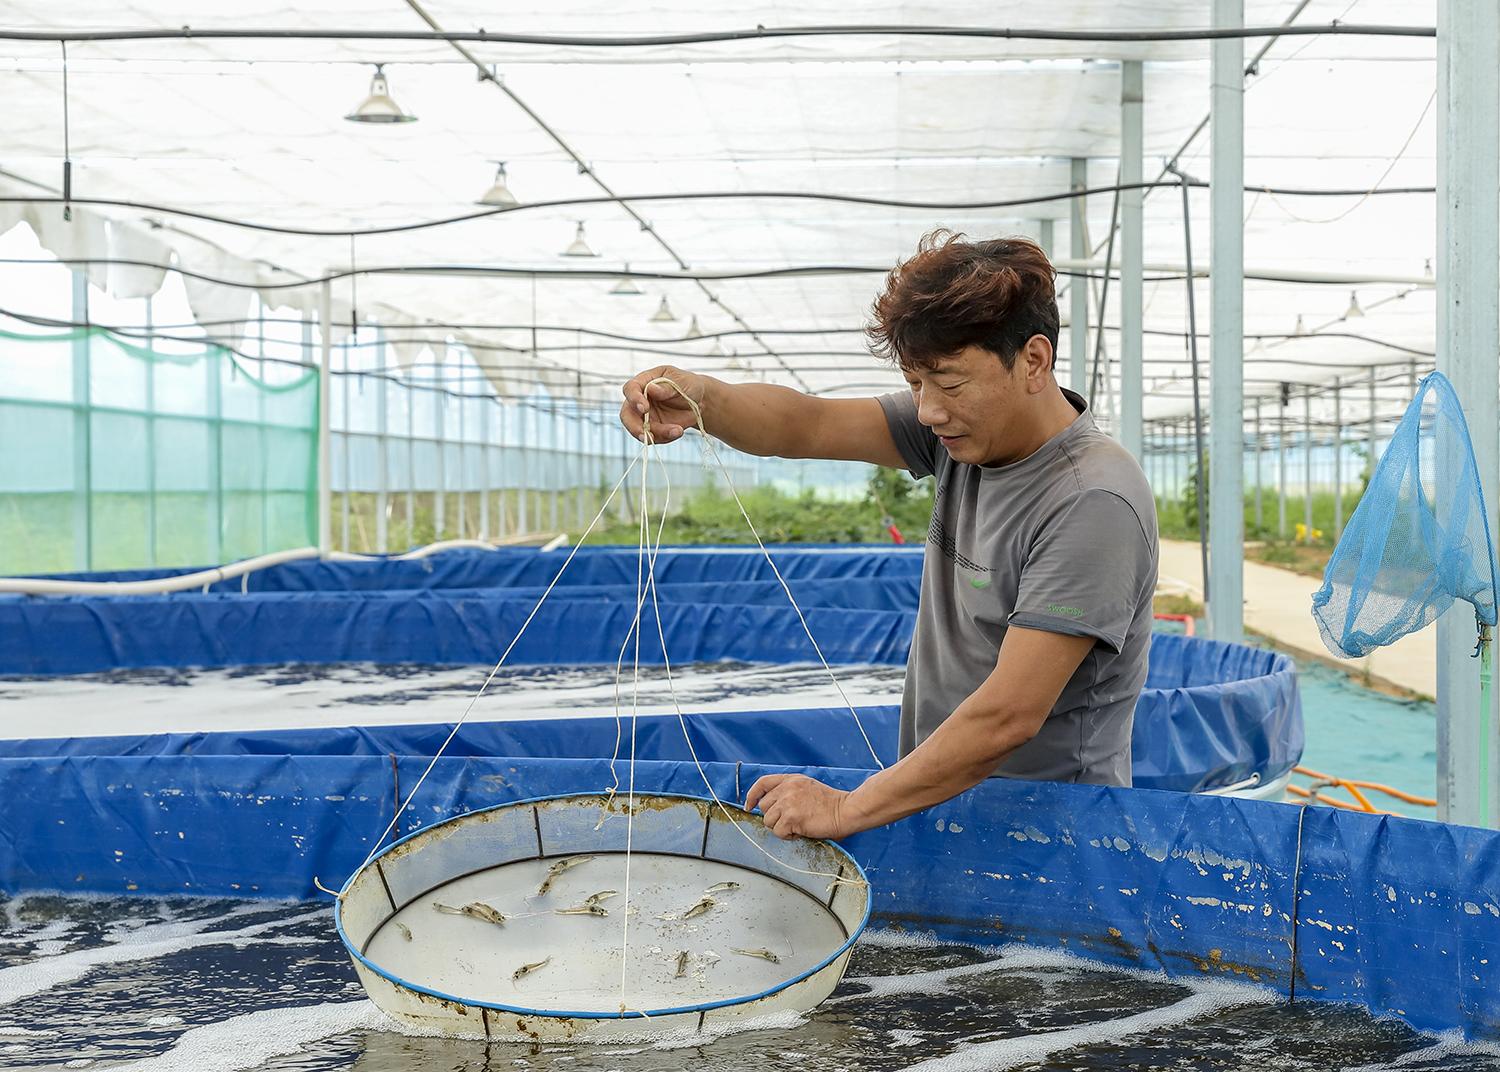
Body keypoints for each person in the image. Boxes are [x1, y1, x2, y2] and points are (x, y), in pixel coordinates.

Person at [618, 230, 1158, 840]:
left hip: (1053, 841)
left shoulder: (1091, 500)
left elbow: (1008, 715)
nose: (927, 409)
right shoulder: (961, 433)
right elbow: (808, 425)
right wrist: (703, 399)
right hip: (951, 811)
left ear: (1034, 361)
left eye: (948, 384)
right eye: (915, 382)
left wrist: (846, 809)